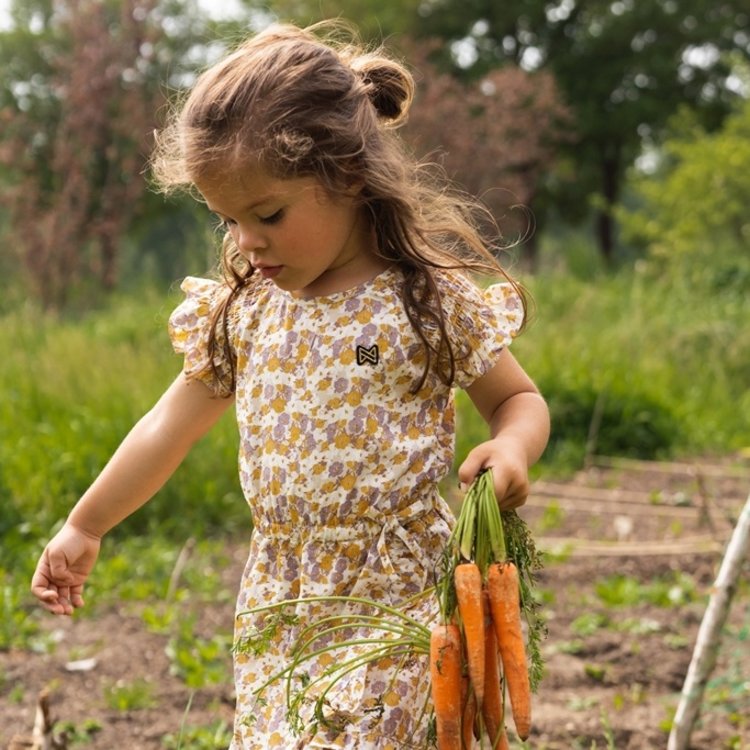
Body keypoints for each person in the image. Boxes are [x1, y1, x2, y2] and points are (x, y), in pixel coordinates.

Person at [31, 21, 550, 749]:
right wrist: (86, 525)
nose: (246, 239)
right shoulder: (246, 312)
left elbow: (516, 400)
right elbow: (167, 427)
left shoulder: (422, 300)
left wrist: (513, 449)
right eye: (229, 219)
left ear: (347, 176)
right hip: (281, 593)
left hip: (395, 588)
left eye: (267, 214)